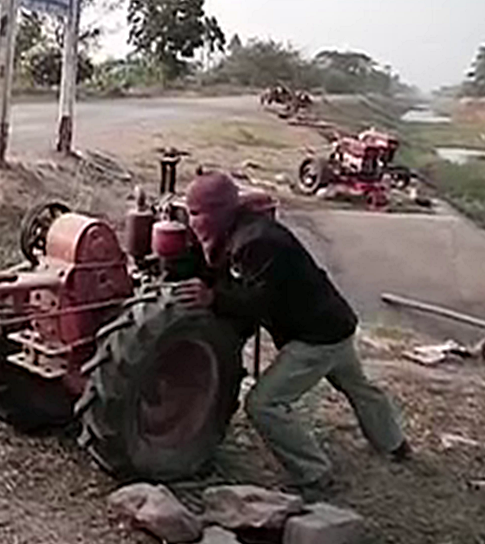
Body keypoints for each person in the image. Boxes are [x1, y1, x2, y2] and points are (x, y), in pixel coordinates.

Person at [170, 172, 409, 495]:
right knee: (357, 386)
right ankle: (394, 444)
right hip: (334, 322)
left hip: (316, 336)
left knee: (264, 404)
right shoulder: (238, 230)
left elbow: (257, 300)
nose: (192, 221)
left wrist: (212, 298)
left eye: (196, 213)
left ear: (219, 211)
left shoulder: (257, 241)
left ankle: (313, 473)